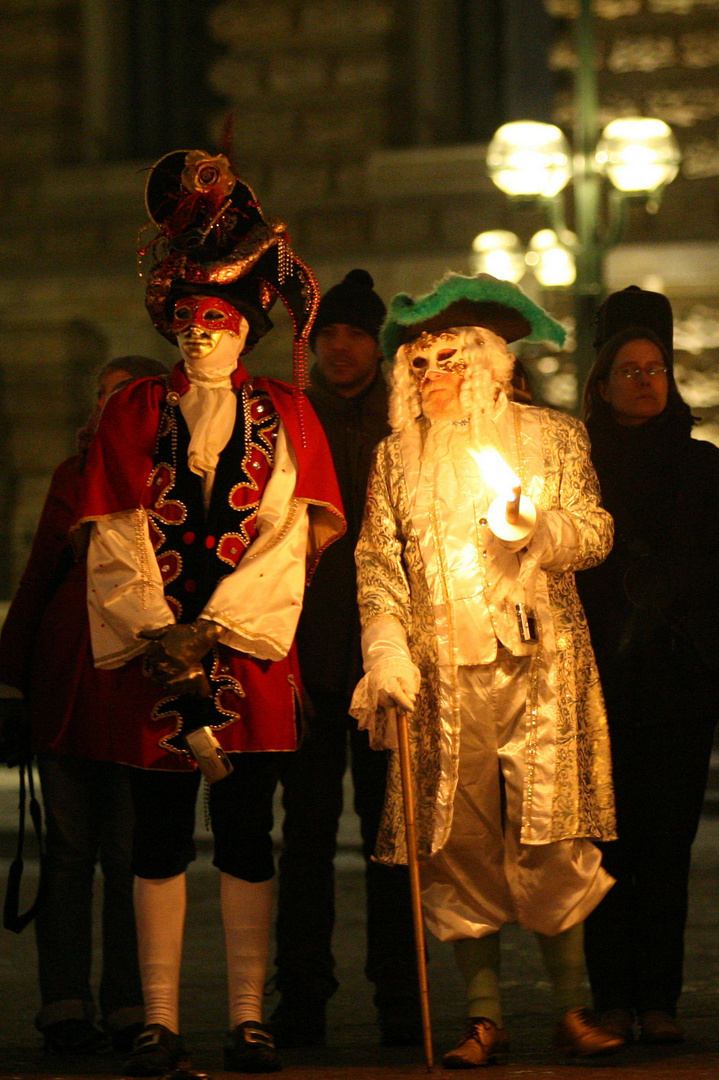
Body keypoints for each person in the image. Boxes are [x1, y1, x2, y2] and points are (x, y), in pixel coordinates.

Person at [78, 146, 341, 1077]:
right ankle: (156, 1016)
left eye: (218, 321)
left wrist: (214, 632)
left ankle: (246, 1016)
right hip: (154, 658)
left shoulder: (287, 416)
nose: (200, 336)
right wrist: (158, 632)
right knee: (152, 833)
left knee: (246, 832)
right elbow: (111, 528)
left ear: (246, 330)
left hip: (246, 659)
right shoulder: (133, 412)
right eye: (187, 319)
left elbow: (285, 538)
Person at [350, 273, 622, 1065]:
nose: (432, 375)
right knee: (460, 841)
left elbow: (597, 534)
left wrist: (543, 528)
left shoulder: (555, 437)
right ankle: (482, 1015)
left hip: (541, 669)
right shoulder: (397, 459)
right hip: (442, 678)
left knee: (550, 832)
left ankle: (572, 1007)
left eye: (448, 360)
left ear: (487, 362)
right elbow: (378, 565)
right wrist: (386, 649)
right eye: (420, 363)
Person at [575, 286, 719, 1045]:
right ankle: (610, 997)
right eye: (629, 370)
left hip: (677, 683)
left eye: (656, 368)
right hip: (598, 681)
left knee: (665, 846)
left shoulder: (702, 463)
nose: (646, 381)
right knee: (604, 845)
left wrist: (675, 586)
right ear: (601, 382)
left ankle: (659, 998)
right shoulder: (577, 464)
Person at [0, 356, 166, 1057]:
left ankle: (132, 1004)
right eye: (101, 397)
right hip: (67, 685)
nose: (107, 409)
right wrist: (10, 682)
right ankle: (64, 1005)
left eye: (123, 397)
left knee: (131, 853)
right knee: (69, 854)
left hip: (140, 691)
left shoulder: (178, 483)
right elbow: (39, 573)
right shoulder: (73, 477)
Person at [272, 268, 419, 1047]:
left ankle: (400, 995)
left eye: (354, 334)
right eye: (327, 334)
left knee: (393, 839)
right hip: (314, 662)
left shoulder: (410, 427)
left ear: (378, 345)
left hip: (391, 664)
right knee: (306, 838)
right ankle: (302, 996)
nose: (339, 347)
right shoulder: (293, 424)